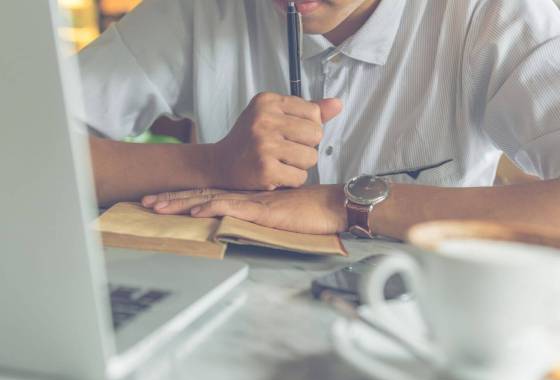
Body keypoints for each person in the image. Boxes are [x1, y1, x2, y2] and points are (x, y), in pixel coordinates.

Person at [80, 0, 560, 240]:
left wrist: (346, 206)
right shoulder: (195, 10)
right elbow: (20, 150)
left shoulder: (497, 13)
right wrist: (211, 164)